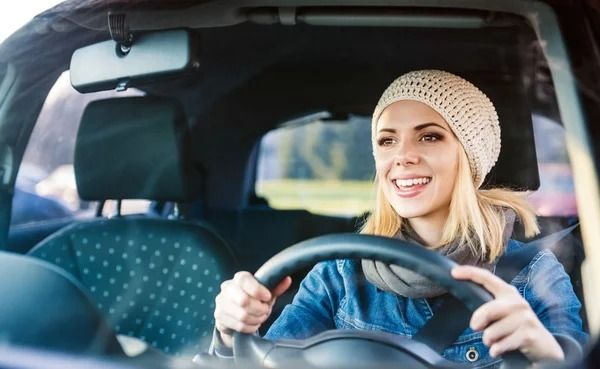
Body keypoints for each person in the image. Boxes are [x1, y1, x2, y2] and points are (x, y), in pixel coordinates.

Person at [210, 70, 587, 366]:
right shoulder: (339, 273)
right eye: (387, 141)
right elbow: (268, 362)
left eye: (430, 137)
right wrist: (231, 332)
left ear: (470, 156)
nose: (402, 156)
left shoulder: (533, 274)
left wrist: (547, 357)